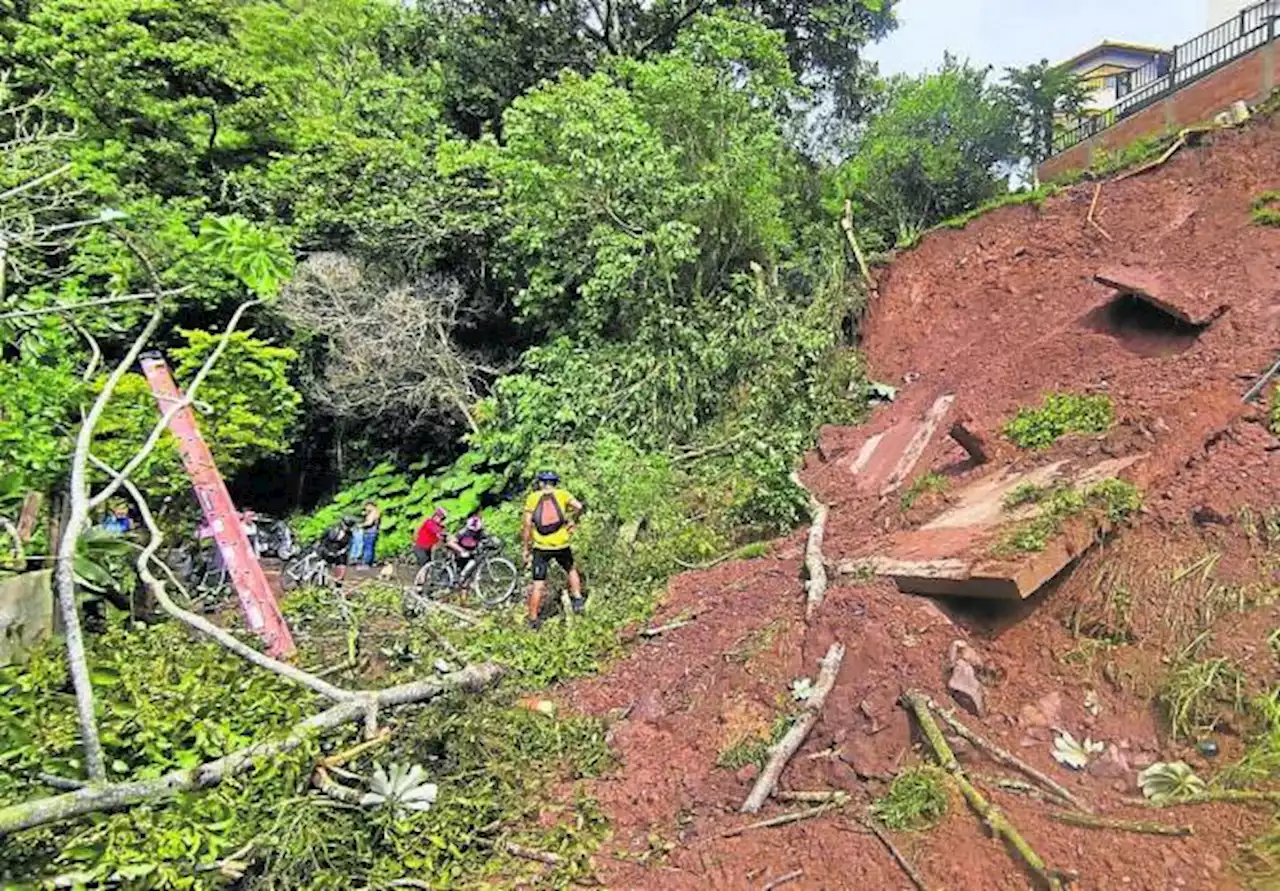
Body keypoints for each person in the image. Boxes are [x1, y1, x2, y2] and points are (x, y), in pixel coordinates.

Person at [522, 471, 585, 630]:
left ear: (541, 483)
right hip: (561, 544)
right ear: (555, 483)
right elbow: (579, 506)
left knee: (538, 585)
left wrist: (526, 547)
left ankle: (533, 620)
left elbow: (528, 524)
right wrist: (572, 521)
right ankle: (577, 599)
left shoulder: (533, 498)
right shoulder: (563, 494)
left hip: (541, 547)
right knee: (570, 568)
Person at [447, 514, 485, 586]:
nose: (473, 533)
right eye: (472, 531)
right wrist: (462, 550)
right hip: (459, 554)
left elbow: (486, 538)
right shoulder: (463, 532)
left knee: (474, 563)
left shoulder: (480, 532)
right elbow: (450, 543)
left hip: (470, 554)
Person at [318, 516, 355, 583]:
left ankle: (339, 583)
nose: (347, 528)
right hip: (327, 549)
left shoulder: (349, 534)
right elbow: (322, 541)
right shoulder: (332, 529)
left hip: (339, 552)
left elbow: (348, 545)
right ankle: (321, 582)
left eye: (349, 527)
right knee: (324, 566)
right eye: (346, 526)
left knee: (342, 565)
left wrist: (342, 551)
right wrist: (327, 551)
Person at [360, 500, 381, 567]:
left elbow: (369, 523)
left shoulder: (374, 512)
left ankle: (366, 563)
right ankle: (371, 562)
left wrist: (361, 525)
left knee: (368, 548)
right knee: (371, 547)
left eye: (366, 506)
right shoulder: (375, 511)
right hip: (373, 532)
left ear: (370, 505)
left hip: (370, 532)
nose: (365, 508)